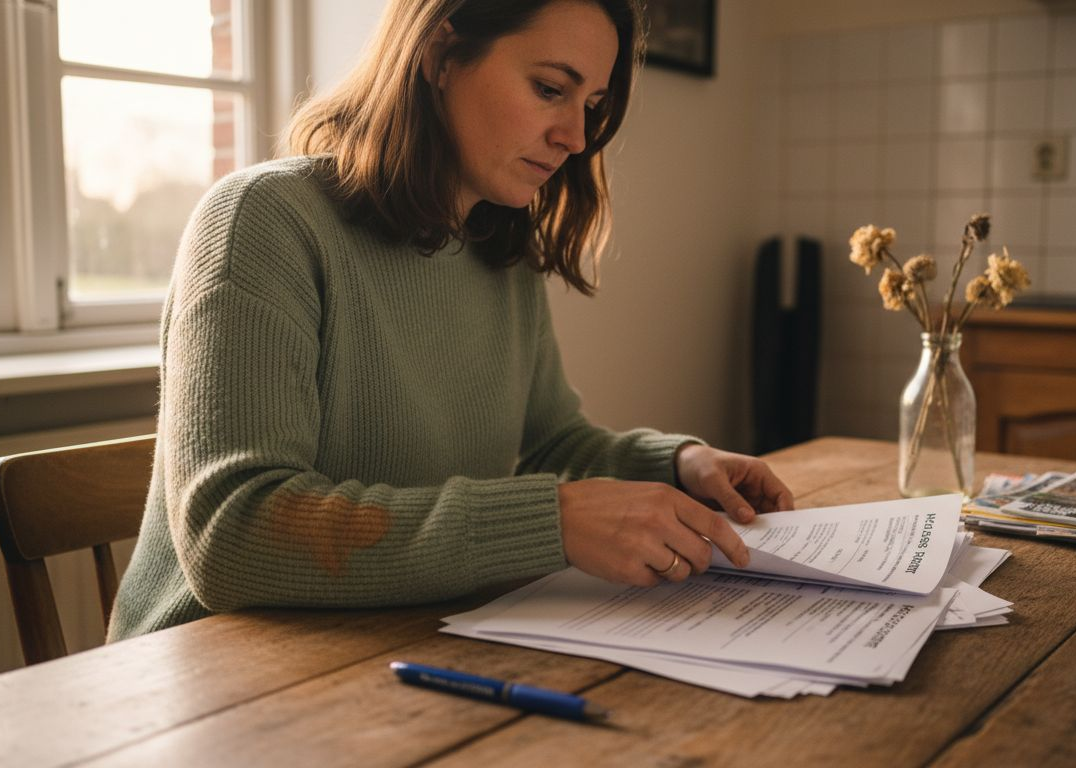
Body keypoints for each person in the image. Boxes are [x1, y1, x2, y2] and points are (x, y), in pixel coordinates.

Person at [108, 0, 794, 641]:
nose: (575, 137)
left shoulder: (500, 252)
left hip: (400, 643)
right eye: (550, 89)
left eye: (591, 106)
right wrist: (552, 521)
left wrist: (677, 463)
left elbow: (549, 442)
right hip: (209, 670)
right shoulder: (264, 221)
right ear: (441, 55)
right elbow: (231, 534)